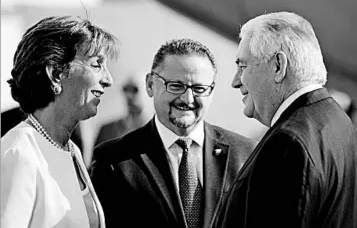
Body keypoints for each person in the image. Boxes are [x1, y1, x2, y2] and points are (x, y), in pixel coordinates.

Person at [90, 38, 256, 228]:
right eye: (176, 86)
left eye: (199, 88)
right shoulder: (113, 161)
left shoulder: (246, 154)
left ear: (212, 91)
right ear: (151, 85)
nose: (187, 98)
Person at [215, 12, 357, 228]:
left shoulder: (288, 143)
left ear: (279, 66)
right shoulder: (337, 120)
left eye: (243, 66)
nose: (235, 81)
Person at [1, 15, 119, 228]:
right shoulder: (19, 153)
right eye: (96, 65)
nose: (108, 80)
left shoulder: (70, 149)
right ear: (56, 74)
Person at [94, 78, 146, 146]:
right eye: (126, 90)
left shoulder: (157, 131)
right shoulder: (107, 130)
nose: (129, 95)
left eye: (135, 90)